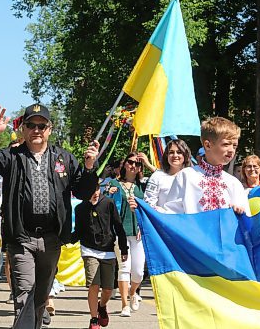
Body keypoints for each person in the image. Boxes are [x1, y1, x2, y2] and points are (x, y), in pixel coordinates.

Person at [0, 104, 100, 329]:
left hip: (53, 238)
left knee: (41, 296)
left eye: (42, 125)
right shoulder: (12, 157)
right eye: (31, 125)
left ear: (50, 129)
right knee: (25, 291)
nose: (36, 130)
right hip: (22, 237)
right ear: (23, 129)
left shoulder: (64, 158)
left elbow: (84, 192)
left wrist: (90, 167)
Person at [162, 117, 249, 214]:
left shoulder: (233, 183)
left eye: (234, 146)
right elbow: (171, 214)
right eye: (226, 144)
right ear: (207, 145)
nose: (231, 150)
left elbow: (246, 220)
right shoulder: (186, 176)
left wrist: (238, 212)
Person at [73, 183, 128, 329]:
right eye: (91, 190)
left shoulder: (108, 203)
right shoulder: (81, 208)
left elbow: (118, 226)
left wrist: (124, 249)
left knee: (108, 289)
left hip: (108, 250)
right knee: (94, 284)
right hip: (89, 250)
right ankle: (93, 319)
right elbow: (78, 231)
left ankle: (102, 306)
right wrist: (64, 239)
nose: (95, 193)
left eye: (97, 189)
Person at [106, 153, 145, 317]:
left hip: (137, 233)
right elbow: (103, 201)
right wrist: (109, 193)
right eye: (130, 162)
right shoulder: (114, 183)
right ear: (124, 164)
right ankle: (124, 305)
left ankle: (133, 292)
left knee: (138, 272)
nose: (133, 166)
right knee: (124, 268)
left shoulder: (141, 186)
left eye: (137, 164)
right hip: (119, 232)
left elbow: (148, 208)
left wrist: (142, 227)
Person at [144, 139, 192, 211]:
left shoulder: (192, 177)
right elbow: (148, 203)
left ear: (185, 155)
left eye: (179, 152)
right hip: (162, 219)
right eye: (171, 152)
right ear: (167, 155)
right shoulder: (157, 176)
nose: (175, 155)